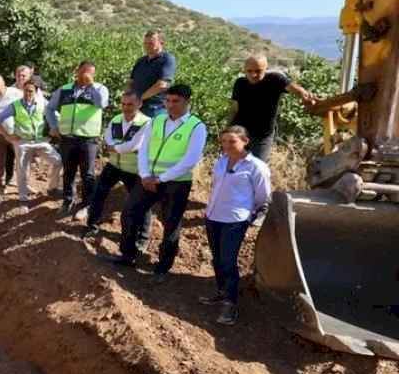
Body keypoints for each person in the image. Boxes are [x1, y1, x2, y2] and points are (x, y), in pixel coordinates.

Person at [117, 84, 207, 284]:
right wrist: (144, 175)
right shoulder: (157, 120)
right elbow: (144, 148)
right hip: (148, 178)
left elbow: (190, 160)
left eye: (176, 101)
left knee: (171, 224)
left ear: (187, 102)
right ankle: (128, 255)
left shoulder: (196, 126)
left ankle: (163, 267)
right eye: (168, 100)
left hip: (176, 183)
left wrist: (161, 178)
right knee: (129, 212)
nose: (170, 105)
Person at [200, 125, 272, 326]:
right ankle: (221, 292)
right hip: (213, 216)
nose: (227, 145)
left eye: (232, 141)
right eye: (224, 141)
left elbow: (263, 196)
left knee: (228, 261)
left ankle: (230, 304)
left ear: (245, 141)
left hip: (234, 220)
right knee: (217, 259)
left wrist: (249, 215)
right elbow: (215, 186)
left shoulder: (256, 166)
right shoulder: (221, 161)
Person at [83, 91, 152, 251]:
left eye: (130, 104)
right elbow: (107, 138)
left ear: (139, 104)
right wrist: (116, 148)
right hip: (114, 165)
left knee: (142, 203)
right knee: (98, 193)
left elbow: (135, 145)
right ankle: (92, 226)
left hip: (134, 169)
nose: (126, 107)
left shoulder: (147, 123)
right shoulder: (116, 119)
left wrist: (115, 148)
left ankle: (142, 238)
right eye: (123, 104)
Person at [47, 61, 110, 214]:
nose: (86, 75)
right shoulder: (65, 89)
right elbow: (49, 108)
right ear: (77, 71)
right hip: (67, 138)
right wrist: (53, 126)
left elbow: (101, 103)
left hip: (88, 139)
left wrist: (91, 85)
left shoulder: (100, 89)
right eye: (83, 71)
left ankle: (87, 205)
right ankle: (68, 201)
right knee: (68, 172)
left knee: (87, 173)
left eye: (90, 72)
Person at [227, 54, 318, 161]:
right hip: (239, 134)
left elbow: (293, 87)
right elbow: (234, 109)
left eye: (258, 71)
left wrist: (304, 94)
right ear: (244, 70)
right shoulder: (240, 83)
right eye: (249, 71)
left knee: (258, 166)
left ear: (265, 69)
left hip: (262, 137)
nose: (253, 74)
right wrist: (227, 130)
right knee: (234, 165)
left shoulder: (275, 80)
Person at [0, 76, 61, 203]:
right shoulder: (15, 105)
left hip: (41, 141)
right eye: (25, 90)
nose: (27, 93)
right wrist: (7, 136)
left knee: (58, 161)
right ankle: (23, 198)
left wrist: (55, 128)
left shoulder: (43, 103)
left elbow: (56, 116)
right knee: (22, 170)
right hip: (22, 142)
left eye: (30, 91)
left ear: (36, 92)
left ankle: (52, 188)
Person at [128, 30, 178, 118]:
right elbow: (131, 82)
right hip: (136, 107)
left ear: (161, 43)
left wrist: (140, 98)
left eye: (151, 43)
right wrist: (128, 98)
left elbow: (162, 85)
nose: (147, 46)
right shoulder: (141, 61)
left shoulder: (167, 59)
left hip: (155, 108)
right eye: (145, 43)